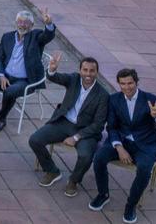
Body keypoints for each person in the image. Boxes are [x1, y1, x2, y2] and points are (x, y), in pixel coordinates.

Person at [89, 68, 156, 224]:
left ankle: (130, 205)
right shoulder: (114, 99)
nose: (127, 87)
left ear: (136, 82)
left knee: (145, 169)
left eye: (130, 83)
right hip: (122, 141)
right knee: (99, 158)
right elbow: (111, 127)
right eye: (123, 84)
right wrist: (119, 148)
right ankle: (103, 194)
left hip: (145, 145)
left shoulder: (152, 99)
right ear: (119, 84)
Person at [30, 53, 108, 197]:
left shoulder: (103, 95)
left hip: (86, 131)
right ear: (80, 71)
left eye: (92, 71)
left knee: (86, 155)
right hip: (63, 122)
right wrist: (52, 69)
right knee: (35, 140)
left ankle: (74, 180)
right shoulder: (73, 79)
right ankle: (52, 171)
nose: (88, 74)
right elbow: (54, 77)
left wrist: (76, 137)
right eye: (85, 70)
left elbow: (98, 125)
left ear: (97, 72)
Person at [0, 8, 56, 133]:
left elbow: (47, 36)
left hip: (25, 80)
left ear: (31, 25)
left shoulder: (36, 37)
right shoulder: (7, 37)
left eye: (26, 22)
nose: (22, 25)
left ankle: (1, 118)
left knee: (10, 92)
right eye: (20, 22)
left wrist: (48, 24)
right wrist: (1, 75)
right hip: (6, 76)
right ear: (16, 23)